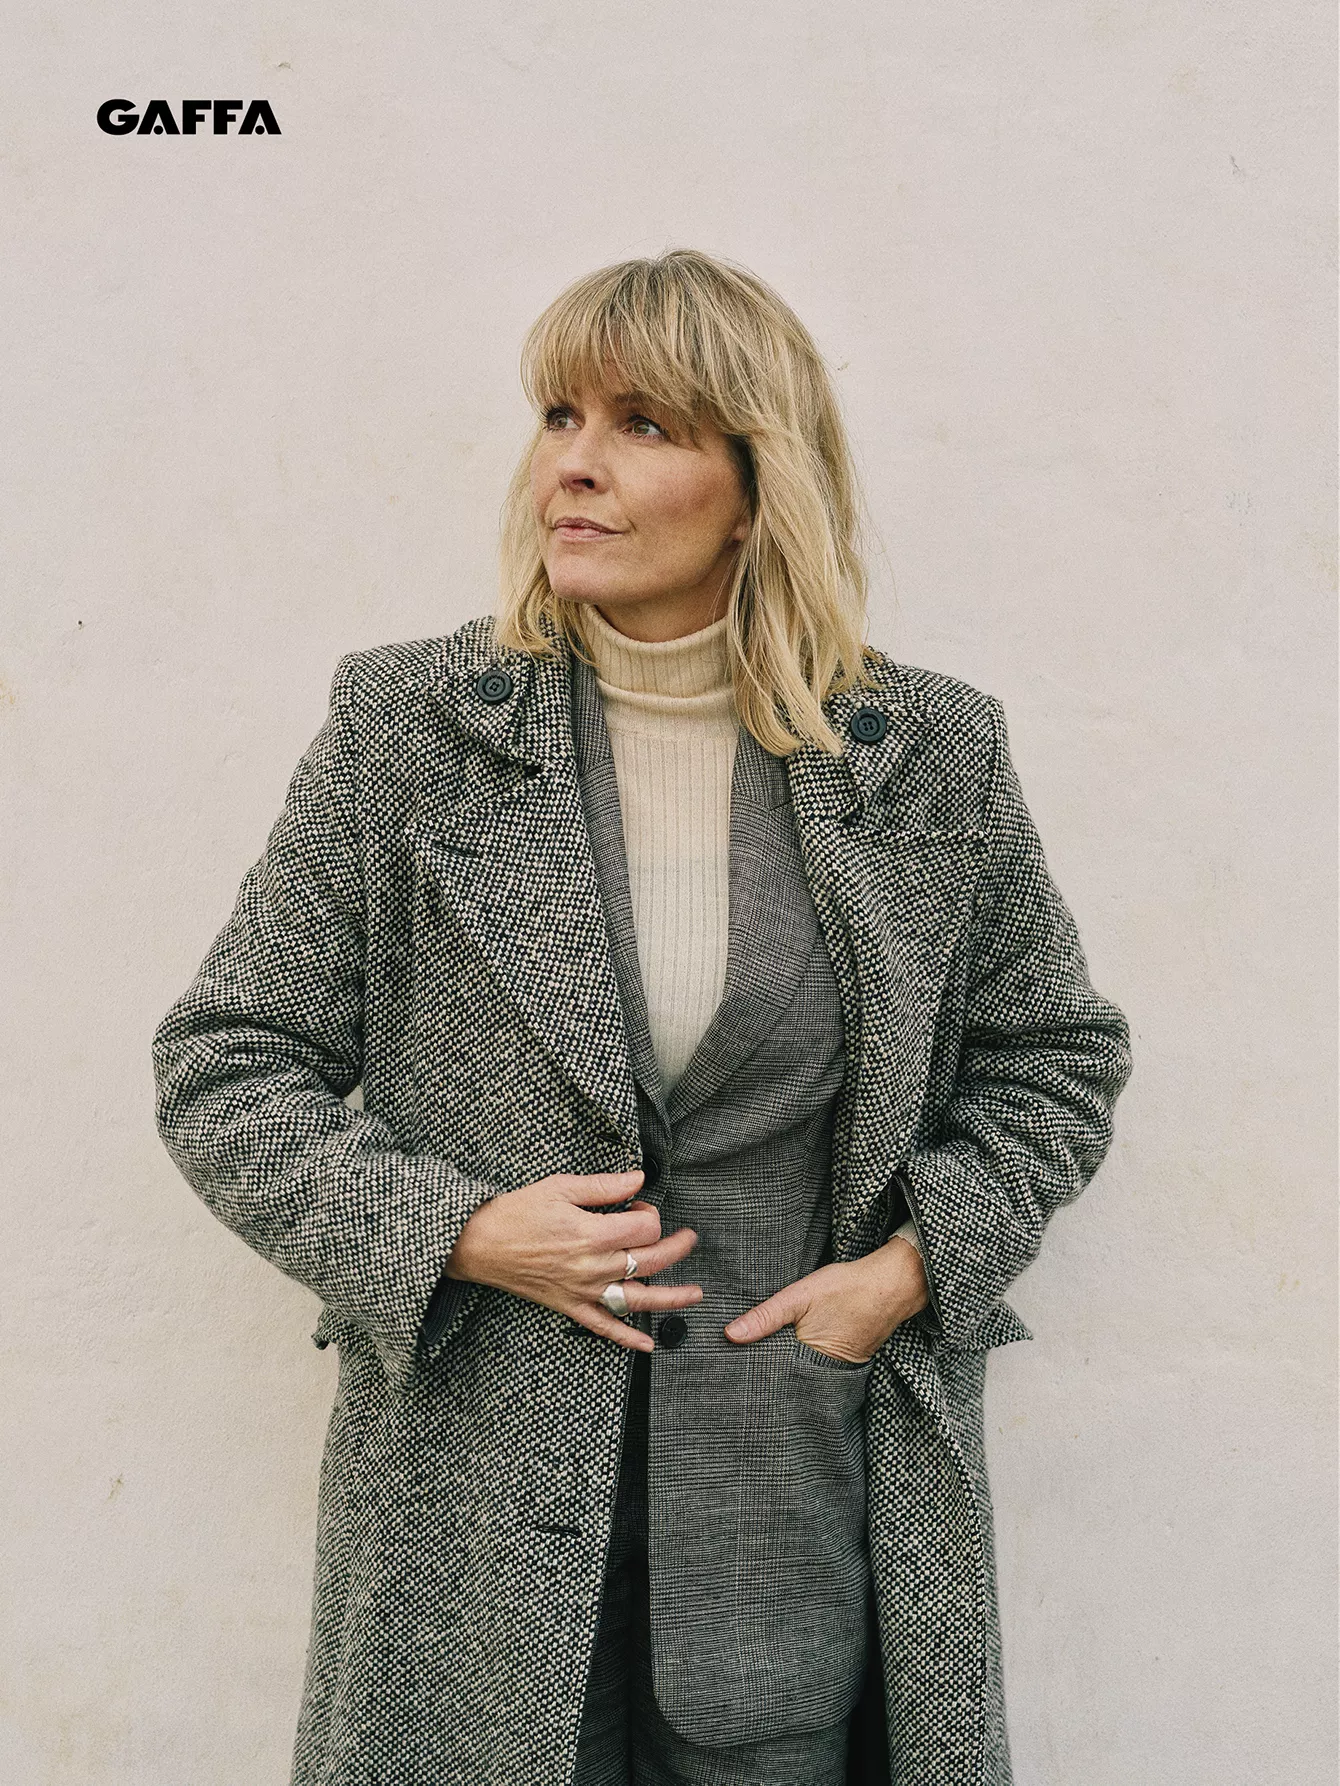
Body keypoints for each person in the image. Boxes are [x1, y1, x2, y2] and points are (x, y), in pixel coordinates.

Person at [152, 247, 1132, 1786]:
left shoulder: (927, 754)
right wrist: (459, 1229)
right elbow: (228, 1062)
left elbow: (1052, 1056)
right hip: (471, 1526)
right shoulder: (410, 733)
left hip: (796, 1509)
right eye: (560, 415)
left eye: (643, 425)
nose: (575, 463)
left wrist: (909, 1270)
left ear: (755, 486)